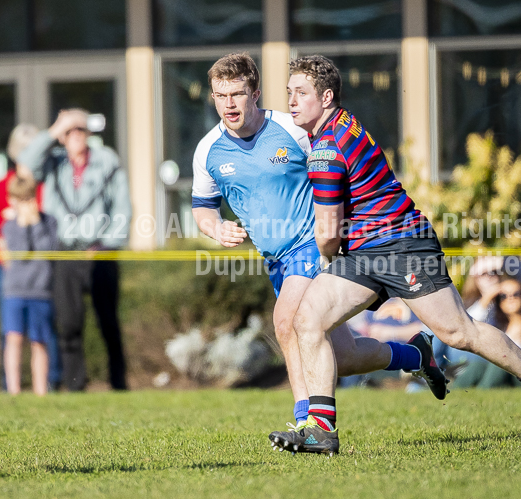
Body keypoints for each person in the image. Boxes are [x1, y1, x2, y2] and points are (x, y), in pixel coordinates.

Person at [268, 55, 521, 456]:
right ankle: (321, 430)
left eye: (301, 93)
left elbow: (327, 232)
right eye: (289, 93)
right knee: (307, 320)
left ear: (326, 97)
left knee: (458, 333)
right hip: (365, 250)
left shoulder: (326, 148)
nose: (292, 101)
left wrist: (327, 261)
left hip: (404, 245)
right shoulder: (339, 122)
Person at [190, 53, 447, 430]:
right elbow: (203, 208)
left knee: (285, 322)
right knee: (344, 356)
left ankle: (307, 423)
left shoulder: (292, 130)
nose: (228, 104)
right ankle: (415, 356)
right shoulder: (208, 151)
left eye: (237, 94)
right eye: (219, 95)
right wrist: (215, 227)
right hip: (277, 260)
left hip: (313, 245)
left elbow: (338, 169)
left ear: (255, 93)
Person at [19, 109, 131, 391]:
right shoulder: (54, 163)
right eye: (69, 132)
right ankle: (75, 385)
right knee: (68, 323)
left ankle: (119, 384)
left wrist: (106, 244)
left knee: (108, 322)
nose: (75, 135)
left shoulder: (107, 161)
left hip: (99, 252)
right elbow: (25, 165)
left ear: (88, 134)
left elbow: (122, 206)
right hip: (65, 252)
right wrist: (54, 130)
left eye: (80, 129)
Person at [0, 123, 62, 390]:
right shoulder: (3, 185)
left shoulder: (40, 187)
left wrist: (30, 220)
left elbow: (48, 237)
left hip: (40, 281)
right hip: (12, 276)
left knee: (42, 336)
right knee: (12, 335)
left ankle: (48, 383)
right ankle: (12, 387)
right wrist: (15, 221)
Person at [1, 176, 57, 395]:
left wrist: (36, 225)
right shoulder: (10, 226)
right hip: (15, 290)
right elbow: (21, 253)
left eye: (29, 198)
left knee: (39, 342)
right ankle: (13, 389)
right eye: (20, 199)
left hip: (41, 290)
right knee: (13, 339)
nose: (25, 204)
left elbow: (48, 251)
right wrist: (24, 226)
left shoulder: (49, 222)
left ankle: (40, 391)